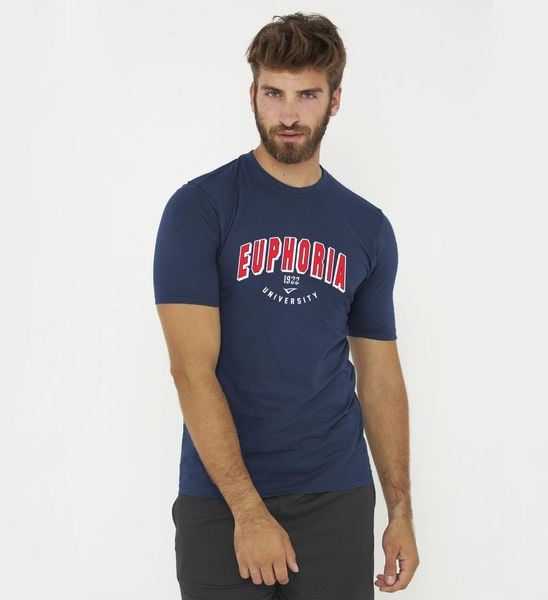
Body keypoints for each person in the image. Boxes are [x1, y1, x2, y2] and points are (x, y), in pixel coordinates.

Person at [153, 11, 419, 600]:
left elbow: (379, 375)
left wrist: (400, 510)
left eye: (308, 95)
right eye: (273, 93)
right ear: (252, 93)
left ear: (335, 100)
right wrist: (248, 511)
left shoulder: (367, 228)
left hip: (335, 494)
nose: (289, 114)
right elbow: (190, 370)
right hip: (221, 499)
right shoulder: (200, 209)